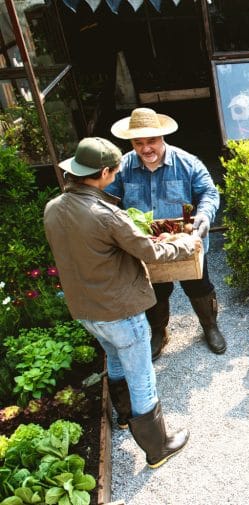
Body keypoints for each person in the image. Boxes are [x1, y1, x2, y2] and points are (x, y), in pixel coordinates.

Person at [44, 137, 199, 468]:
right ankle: (158, 448)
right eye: (114, 171)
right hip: (120, 312)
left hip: (86, 311)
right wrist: (185, 245)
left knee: (114, 359)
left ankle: (125, 416)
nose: (116, 175)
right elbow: (150, 250)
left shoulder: (53, 208)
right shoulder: (105, 214)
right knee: (141, 375)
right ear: (102, 172)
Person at [106, 107, 226, 358]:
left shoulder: (186, 162)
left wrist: (203, 217)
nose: (146, 148)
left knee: (198, 286)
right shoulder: (123, 167)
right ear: (131, 142)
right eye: (139, 143)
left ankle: (210, 325)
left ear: (162, 138)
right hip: (145, 243)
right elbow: (108, 199)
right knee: (153, 292)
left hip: (184, 240)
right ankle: (159, 332)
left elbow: (209, 193)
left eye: (151, 141)